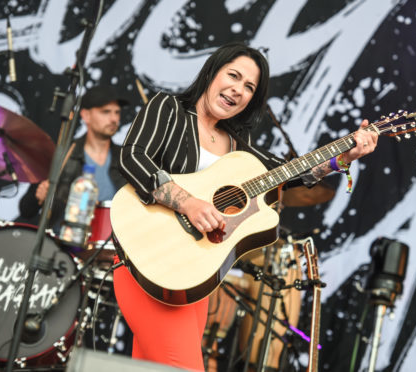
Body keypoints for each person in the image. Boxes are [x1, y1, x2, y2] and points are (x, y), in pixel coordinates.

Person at [113, 42, 378, 371]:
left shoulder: (239, 147)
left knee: (151, 367)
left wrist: (342, 157)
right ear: (212, 72)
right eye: (233, 76)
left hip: (193, 275)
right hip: (146, 258)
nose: (237, 89)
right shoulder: (169, 108)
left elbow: (292, 171)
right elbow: (132, 157)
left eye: (249, 87)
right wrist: (188, 203)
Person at [18, 85, 129, 231]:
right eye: (106, 112)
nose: (114, 119)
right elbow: (26, 210)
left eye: (117, 112)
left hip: (112, 246)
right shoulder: (63, 154)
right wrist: (38, 197)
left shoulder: (127, 159)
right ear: (86, 115)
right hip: (65, 243)